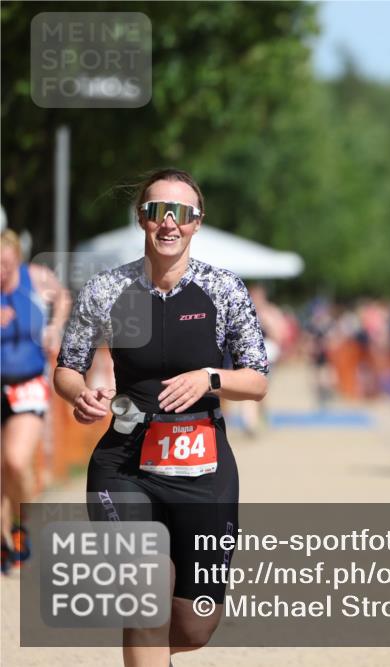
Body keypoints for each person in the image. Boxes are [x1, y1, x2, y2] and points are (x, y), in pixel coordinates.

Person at [53, 169, 269, 666]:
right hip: (125, 464)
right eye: (157, 211)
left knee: (195, 626)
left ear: (198, 222)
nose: (169, 223)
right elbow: (67, 368)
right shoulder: (108, 289)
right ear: (141, 219)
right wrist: (82, 395)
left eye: (181, 213)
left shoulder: (224, 289)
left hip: (204, 469)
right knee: (145, 602)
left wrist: (210, 378)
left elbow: (257, 380)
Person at [0, 228, 70, 573]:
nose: (1, 271)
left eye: (5, 264)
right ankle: (4, 543)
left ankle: (21, 523)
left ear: (17, 257)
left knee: (15, 461)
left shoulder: (35, 278)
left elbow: (63, 297)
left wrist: (54, 327)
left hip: (27, 383)